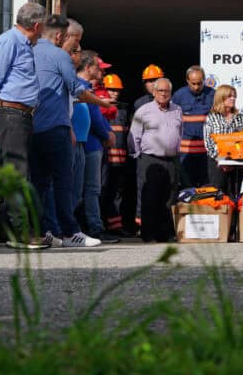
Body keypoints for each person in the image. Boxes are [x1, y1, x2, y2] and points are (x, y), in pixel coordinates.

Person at [30, 15, 111, 248]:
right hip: (56, 127)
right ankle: (70, 232)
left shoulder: (30, 51)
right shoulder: (59, 56)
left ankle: (46, 231)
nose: (75, 47)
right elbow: (76, 90)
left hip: (33, 126)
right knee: (64, 182)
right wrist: (102, 103)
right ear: (59, 36)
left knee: (40, 183)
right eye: (72, 40)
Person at [0, 2, 44, 248]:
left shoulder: (23, 44)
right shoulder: (9, 41)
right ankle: (20, 233)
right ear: (37, 25)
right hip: (11, 113)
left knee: (20, 171)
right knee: (16, 172)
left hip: (20, 115)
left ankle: (20, 229)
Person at [129, 77, 183, 242]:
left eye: (167, 91)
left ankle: (164, 234)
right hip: (150, 159)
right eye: (160, 91)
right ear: (154, 92)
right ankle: (148, 234)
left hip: (171, 160)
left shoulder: (177, 110)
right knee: (150, 197)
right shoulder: (143, 111)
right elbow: (134, 136)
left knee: (169, 197)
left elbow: (180, 132)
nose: (163, 94)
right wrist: (139, 155)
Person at [75, 50, 118, 244]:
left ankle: (82, 227)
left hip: (90, 142)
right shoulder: (81, 88)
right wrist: (106, 134)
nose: (102, 71)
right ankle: (93, 228)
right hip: (90, 144)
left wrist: (107, 131)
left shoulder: (86, 88)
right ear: (88, 67)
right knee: (90, 188)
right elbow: (94, 116)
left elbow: (96, 115)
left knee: (84, 188)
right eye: (98, 67)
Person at [172, 65, 215, 187]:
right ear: (187, 81)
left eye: (199, 83)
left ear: (204, 80)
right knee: (187, 189)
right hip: (185, 154)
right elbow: (172, 123)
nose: (196, 87)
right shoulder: (178, 96)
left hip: (206, 154)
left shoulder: (213, 94)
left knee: (206, 190)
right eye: (193, 84)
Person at [203, 84, 243, 197]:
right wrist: (222, 161)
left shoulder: (240, 117)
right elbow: (208, 143)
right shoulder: (211, 117)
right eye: (229, 96)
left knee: (235, 196)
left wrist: (233, 162)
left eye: (234, 96)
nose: (233, 98)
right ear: (221, 98)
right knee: (218, 196)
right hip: (217, 163)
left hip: (236, 164)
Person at [99, 73, 131, 235]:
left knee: (117, 193)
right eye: (111, 90)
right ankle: (100, 225)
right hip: (105, 160)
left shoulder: (124, 110)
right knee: (102, 191)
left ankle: (115, 227)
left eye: (117, 90)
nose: (115, 93)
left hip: (120, 161)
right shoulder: (100, 109)